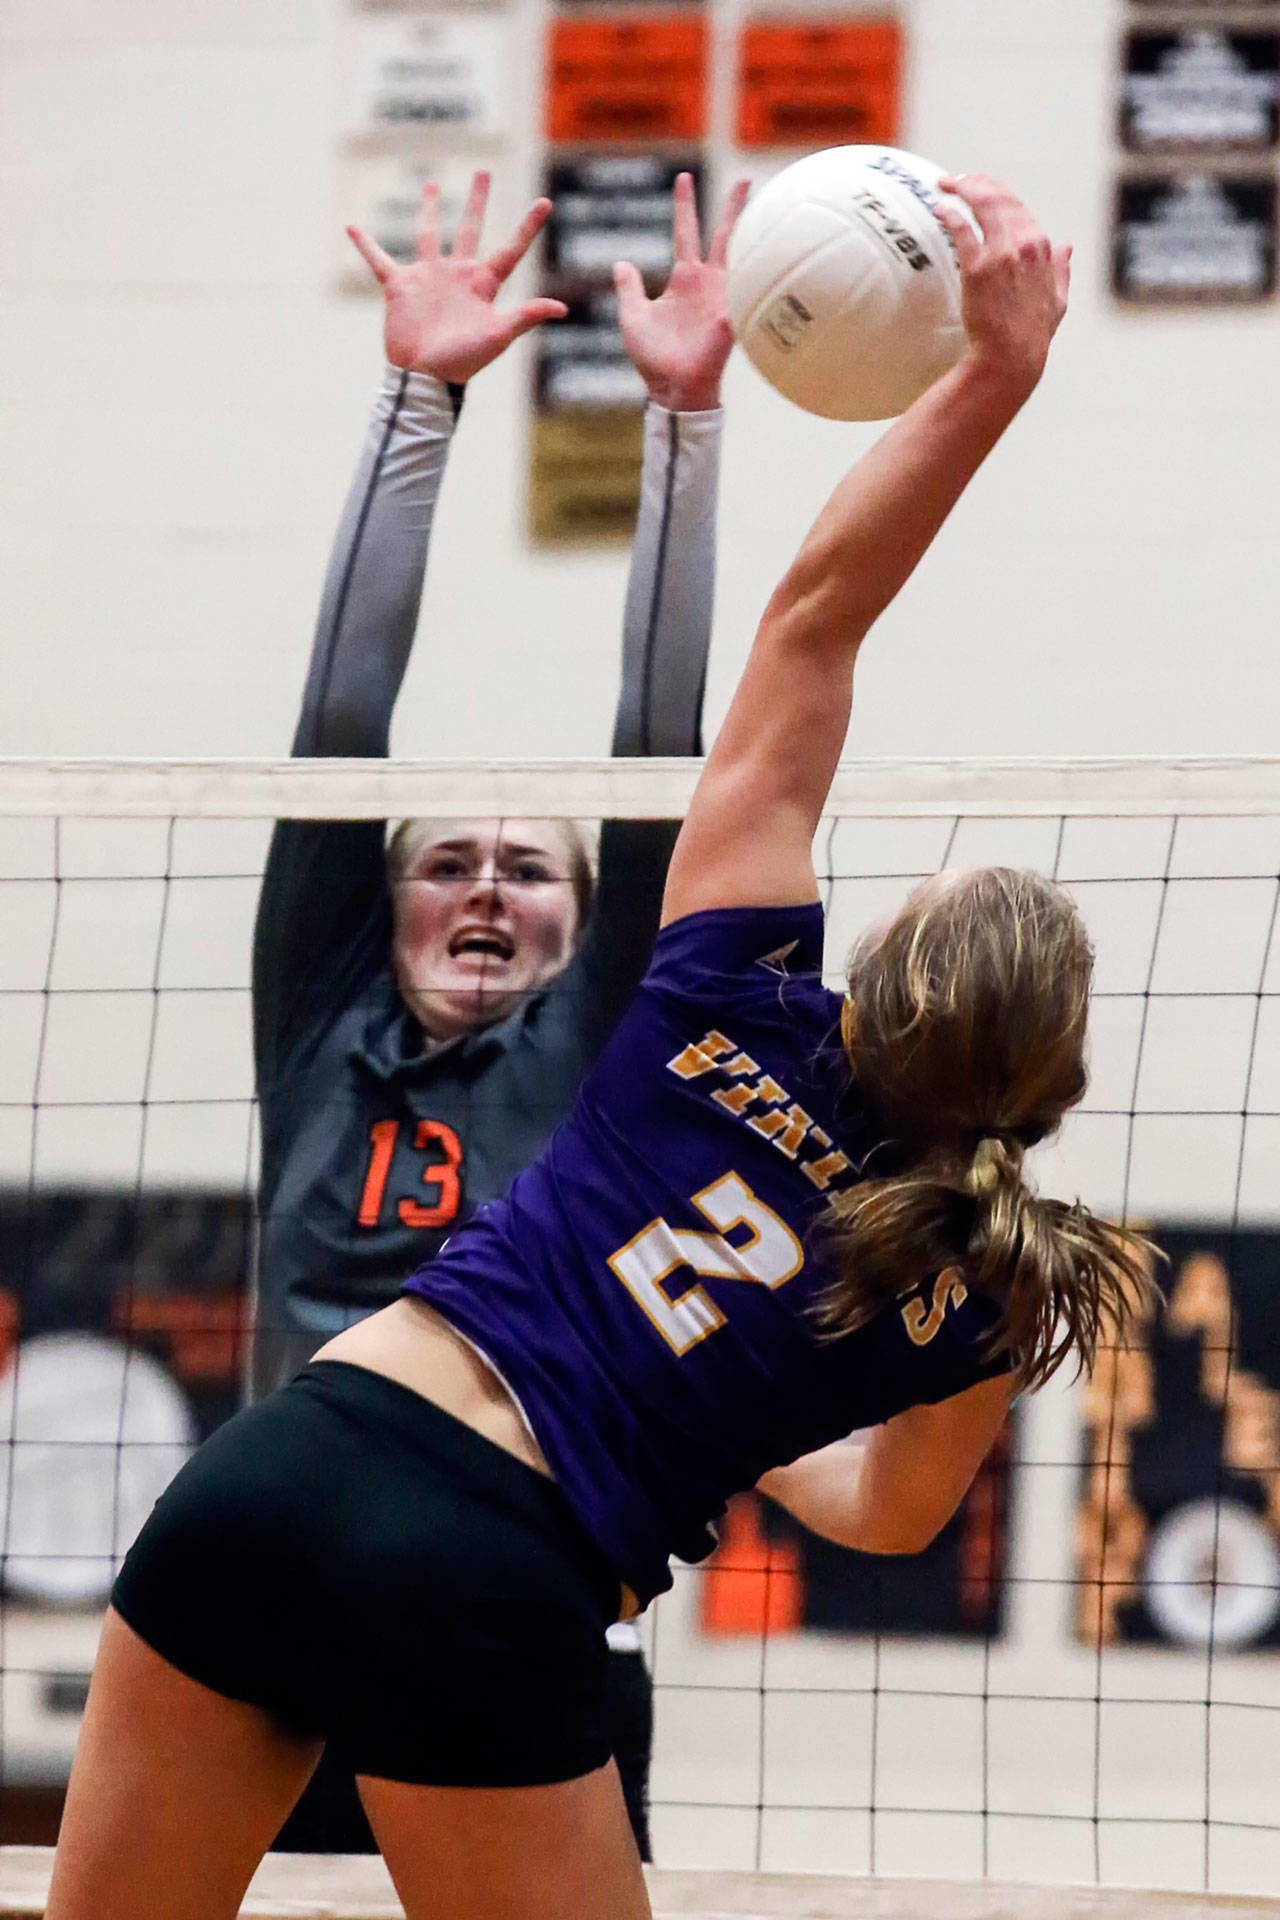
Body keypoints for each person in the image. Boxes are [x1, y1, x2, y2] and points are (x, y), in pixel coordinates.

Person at [48, 176, 1151, 1920]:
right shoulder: (986, 1286)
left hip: (277, 1472)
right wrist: (727, 1398)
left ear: (874, 965)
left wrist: (994, 373)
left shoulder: (724, 997)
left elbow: (814, 620)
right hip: (489, 1573)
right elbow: (881, 1519)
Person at [252, 168, 747, 1857]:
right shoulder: (319, 1022)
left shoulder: (602, 1047)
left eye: (528, 869)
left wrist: (681, 423)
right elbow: (339, 716)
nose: (480, 888)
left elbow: (662, 753)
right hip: (294, 1605)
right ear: (378, 901)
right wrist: (420, 399)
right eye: (444, 859)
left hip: (527, 1607)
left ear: (584, 920)